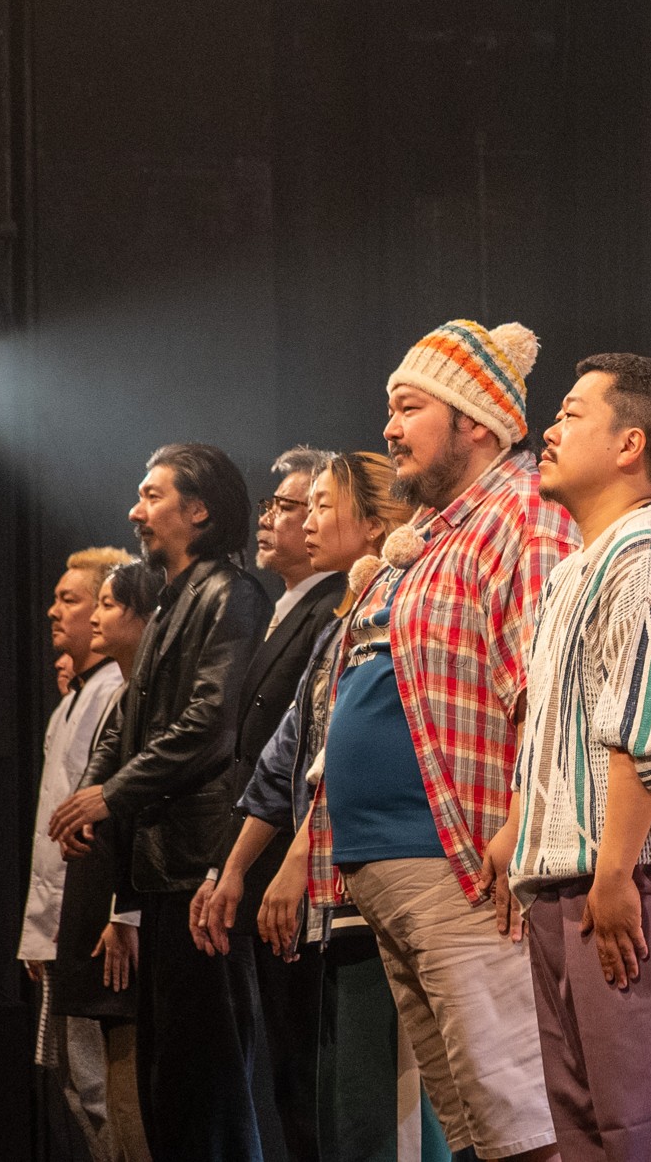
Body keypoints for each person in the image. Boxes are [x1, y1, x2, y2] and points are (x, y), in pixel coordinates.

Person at [305, 319, 576, 1162]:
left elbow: (543, 684)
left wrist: (519, 823)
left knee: (518, 1123)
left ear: (477, 422)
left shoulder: (523, 514)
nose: (388, 429)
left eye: (409, 408)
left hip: (462, 864)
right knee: (472, 1129)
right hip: (393, 865)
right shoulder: (432, 536)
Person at [491, 352, 651, 1162]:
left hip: (625, 879)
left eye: (570, 414)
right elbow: (552, 718)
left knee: (650, 1123)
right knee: (586, 1128)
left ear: (630, 444)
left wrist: (618, 870)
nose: (549, 432)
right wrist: (517, 829)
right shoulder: (573, 570)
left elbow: (650, 727)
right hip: (568, 880)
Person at [210, 451, 447, 1160]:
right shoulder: (340, 623)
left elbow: (354, 756)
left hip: (379, 879)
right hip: (335, 894)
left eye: (322, 505)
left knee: (388, 1114)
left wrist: (294, 861)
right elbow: (288, 751)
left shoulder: (400, 608)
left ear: (374, 524)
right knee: (337, 1108)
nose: (306, 521)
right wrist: (232, 868)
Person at [49, 444, 272, 1162]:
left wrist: (111, 795)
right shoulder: (175, 597)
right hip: (163, 867)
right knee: (168, 1082)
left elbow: (211, 724)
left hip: (199, 863)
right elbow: (131, 718)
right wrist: (93, 798)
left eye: (152, 496)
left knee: (207, 1080)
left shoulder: (231, 594)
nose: (135, 511)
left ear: (198, 510)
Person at [187, 444, 341, 1162]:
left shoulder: (336, 609)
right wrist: (227, 866)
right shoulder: (287, 608)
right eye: (275, 505)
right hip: (264, 855)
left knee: (311, 1074)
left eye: (304, 505)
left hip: (304, 866)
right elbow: (265, 756)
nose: (280, 519)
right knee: (284, 1073)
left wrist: (283, 860)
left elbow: (316, 755)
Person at [24, 546, 133, 1158]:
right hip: (62, 924)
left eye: (71, 599)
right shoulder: (75, 697)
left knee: (101, 1088)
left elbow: (116, 812)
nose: (54, 611)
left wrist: (121, 912)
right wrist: (38, 933)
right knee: (72, 1081)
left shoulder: (114, 692)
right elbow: (55, 820)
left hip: (91, 919)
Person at [57, 559, 167, 1162]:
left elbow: (146, 810)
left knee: (128, 1089)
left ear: (146, 617)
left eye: (106, 604)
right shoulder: (124, 695)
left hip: (126, 914)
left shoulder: (152, 697)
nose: (95, 617)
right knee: (101, 1084)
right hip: (98, 906)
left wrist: (126, 913)